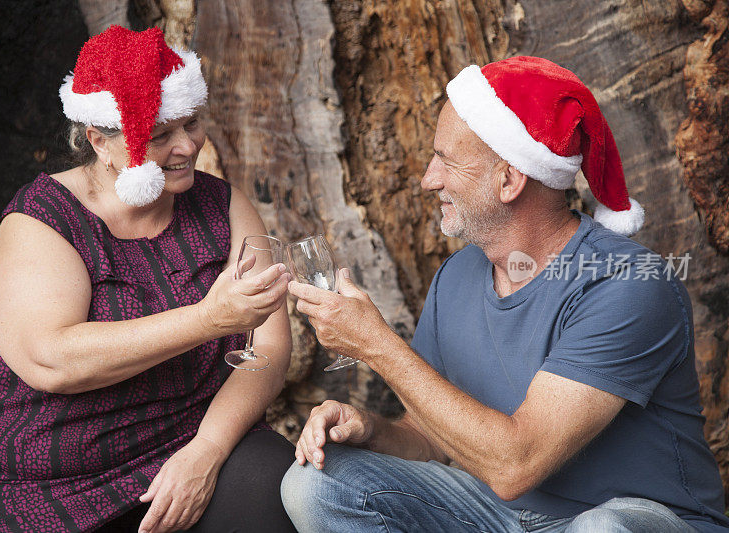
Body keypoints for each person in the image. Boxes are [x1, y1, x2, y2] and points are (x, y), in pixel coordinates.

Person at [281, 56, 729, 532]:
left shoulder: (627, 284)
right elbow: (433, 437)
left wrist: (376, 344)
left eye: (446, 161)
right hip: (504, 518)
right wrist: (372, 430)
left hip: (629, 521)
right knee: (316, 482)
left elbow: (517, 464)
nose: (428, 179)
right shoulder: (457, 275)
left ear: (510, 179)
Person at [0, 26, 296, 533]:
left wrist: (207, 451)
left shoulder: (223, 206)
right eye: (161, 134)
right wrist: (208, 320)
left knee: (276, 488)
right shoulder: (42, 222)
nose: (187, 146)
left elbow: (269, 350)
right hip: (28, 475)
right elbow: (52, 361)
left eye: (192, 123)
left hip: (181, 442)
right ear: (99, 140)